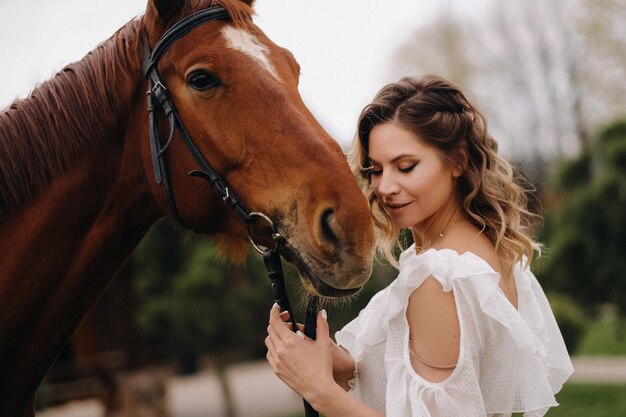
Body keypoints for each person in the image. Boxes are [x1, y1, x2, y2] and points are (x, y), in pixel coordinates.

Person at [264, 75, 573, 417]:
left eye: (405, 167)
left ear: (457, 161)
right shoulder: (484, 248)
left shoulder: (442, 276)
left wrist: (318, 390)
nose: (385, 187)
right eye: (375, 170)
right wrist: (341, 367)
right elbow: (432, 389)